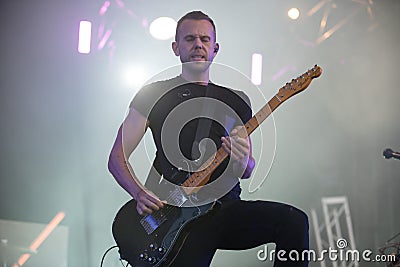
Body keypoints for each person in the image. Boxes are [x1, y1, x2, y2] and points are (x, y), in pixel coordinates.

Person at [108, 10, 309, 267]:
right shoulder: (153, 93)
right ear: (175, 47)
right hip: (174, 214)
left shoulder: (237, 100)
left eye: (204, 39)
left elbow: (245, 170)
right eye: (190, 39)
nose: (198, 45)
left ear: (215, 48)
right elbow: (116, 157)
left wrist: (242, 158)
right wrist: (138, 192)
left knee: (293, 221)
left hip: (223, 209)